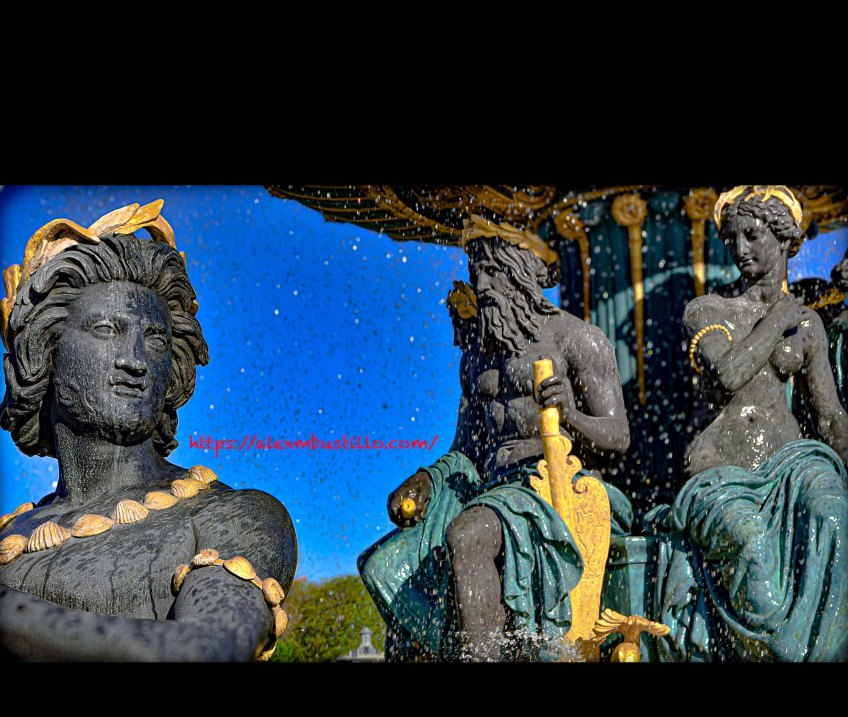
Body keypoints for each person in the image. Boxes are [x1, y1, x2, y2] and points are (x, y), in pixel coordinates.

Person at [0, 201, 297, 661]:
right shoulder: (8, 535)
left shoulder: (232, 517)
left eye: (155, 339)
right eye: (106, 329)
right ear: (46, 351)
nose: (135, 361)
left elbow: (206, 649)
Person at [359, 216, 632, 661]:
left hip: (555, 481)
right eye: (475, 270)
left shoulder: (578, 338)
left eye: (493, 269)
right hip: (491, 490)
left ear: (522, 270)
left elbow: (618, 437)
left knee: (467, 536)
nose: (481, 283)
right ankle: (446, 649)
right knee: (384, 564)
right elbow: (465, 449)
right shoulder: (477, 360)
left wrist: (571, 416)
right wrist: (427, 481)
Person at [647, 186, 848, 661]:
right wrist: (777, 318)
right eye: (732, 239)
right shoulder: (708, 310)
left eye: (753, 236)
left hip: (790, 467)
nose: (740, 249)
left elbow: (830, 416)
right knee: (749, 543)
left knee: (835, 515)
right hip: (723, 472)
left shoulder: (809, 326)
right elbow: (730, 375)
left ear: (783, 239)